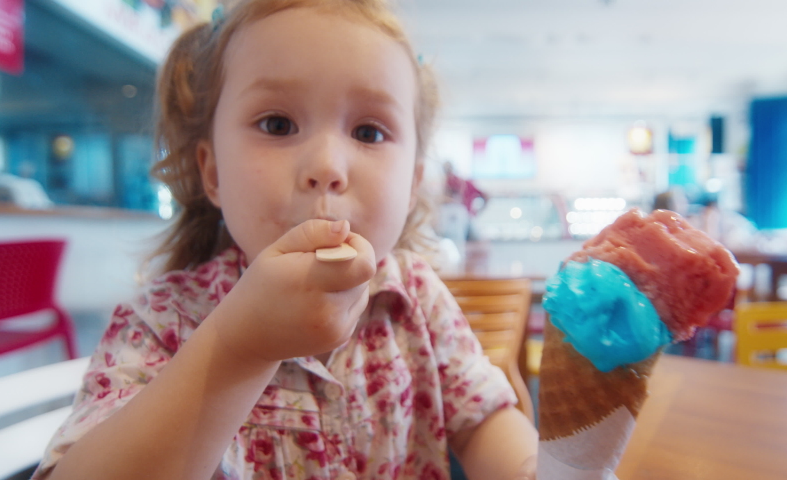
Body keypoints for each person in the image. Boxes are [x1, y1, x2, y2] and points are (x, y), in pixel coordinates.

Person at [33, 1, 538, 479]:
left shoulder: (418, 298)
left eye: (368, 132)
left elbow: (487, 423)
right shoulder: (162, 321)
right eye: (277, 124)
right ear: (211, 172)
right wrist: (237, 348)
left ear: (411, 185)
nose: (326, 167)